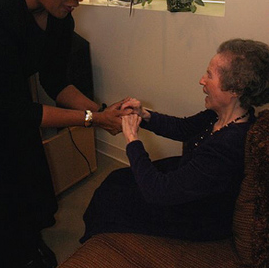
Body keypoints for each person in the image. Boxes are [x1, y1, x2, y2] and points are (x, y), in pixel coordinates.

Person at [0, 0, 129, 268]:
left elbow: (56, 82)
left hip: (11, 113)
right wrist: (93, 119)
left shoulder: (59, 17)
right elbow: (15, 112)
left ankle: (28, 246)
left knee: (28, 189)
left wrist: (103, 110)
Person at [81, 38, 269, 244]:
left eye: (209, 75)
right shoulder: (222, 114)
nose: (201, 80)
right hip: (186, 182)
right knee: (117, 178)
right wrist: (144, 115)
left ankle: (95, 241)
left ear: (236, 90)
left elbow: (159, 193)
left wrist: (132, 139)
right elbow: (183, 128)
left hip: (196, 218)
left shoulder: (229, 145)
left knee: (110, 198)